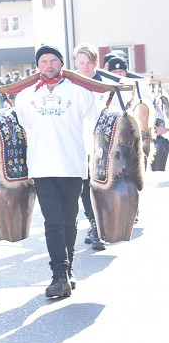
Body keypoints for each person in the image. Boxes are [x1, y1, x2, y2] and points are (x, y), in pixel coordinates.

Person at [14, 45, 101, 299]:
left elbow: (94, 124)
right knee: (52, 222)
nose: (49, 65)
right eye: (44, 61)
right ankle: (58, 275)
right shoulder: (26, 96)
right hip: (42, 167)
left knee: (69, 220)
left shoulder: (80, 92)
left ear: (62, 64)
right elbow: (22, 126)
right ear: (38, 66)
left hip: (72, 165)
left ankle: (68, 269)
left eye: (53, 60)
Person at [71, 44, 108, 251]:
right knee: (86, 186)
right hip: (79, 142)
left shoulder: (107, 84)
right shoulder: (69, 84)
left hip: (104, 142)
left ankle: (105, 222)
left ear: (95, 62)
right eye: (81, 62)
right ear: (75, 63)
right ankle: (94, 225)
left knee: (104, 185)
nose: (85, 67)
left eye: (88, 62)